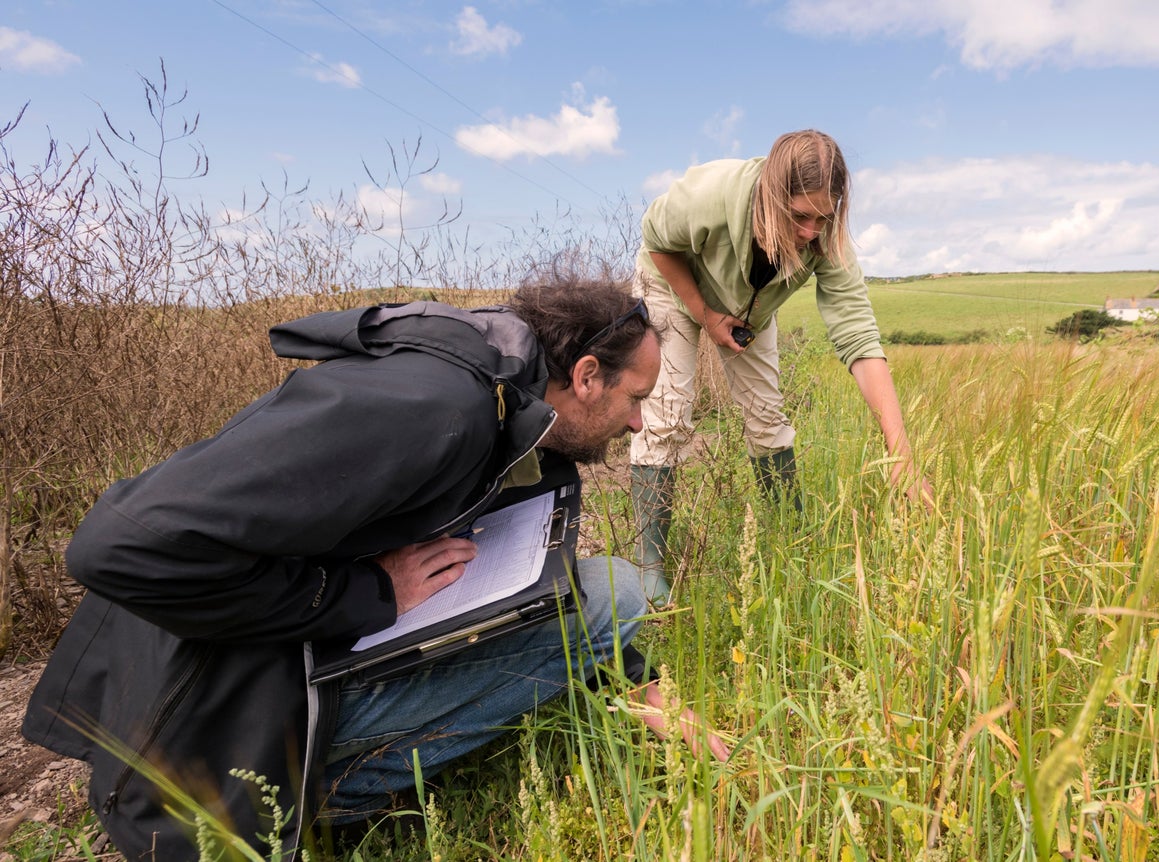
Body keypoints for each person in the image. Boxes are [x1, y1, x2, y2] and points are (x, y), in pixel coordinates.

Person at [23, 275, 727, 861]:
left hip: (262, 675)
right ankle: (322, 798)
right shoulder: (436, 409)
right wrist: (366, 592)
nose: (638, 424)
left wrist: (641, 685)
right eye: (636, 400)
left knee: (604, 595)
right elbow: (113, 547)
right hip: (213, 744)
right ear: (584, 375)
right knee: (618, 592)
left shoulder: (492, 383)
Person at [630, 129, 934, 601]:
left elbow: (859, 336)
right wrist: (704, 314)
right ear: (771, 196)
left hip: (747, 310)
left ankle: (790, 544)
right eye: (798, 217)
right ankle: (650, 565)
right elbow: (656, 241)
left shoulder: (825, 236)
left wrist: (901, 454)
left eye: (822, 217)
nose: (811, 232)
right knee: (668, 415)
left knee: (767, 419)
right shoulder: (709, 195)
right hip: (673, 287)